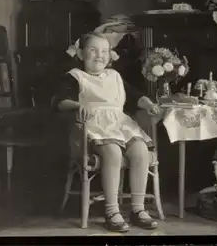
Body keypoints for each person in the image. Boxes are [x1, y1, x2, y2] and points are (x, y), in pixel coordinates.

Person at [53, 23, 161, 233]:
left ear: (110, 56)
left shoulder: (114, 77)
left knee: (140, 151)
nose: (99, 56)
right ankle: (112, 210)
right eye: (93, 51)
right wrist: (77, 105)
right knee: (112, 152)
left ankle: (137, 209)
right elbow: (59, 101)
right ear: (82, 54)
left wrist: (148, 104)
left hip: (119, 124)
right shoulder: (75, 76)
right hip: (91, 128)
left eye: (104, 51)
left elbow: (135, 96)